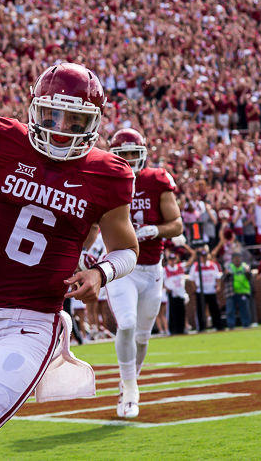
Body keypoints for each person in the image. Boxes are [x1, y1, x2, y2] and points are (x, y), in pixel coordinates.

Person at [0, 54, 137, 460]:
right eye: (51, 116)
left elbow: (127, 250)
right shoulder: (5, 140)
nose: (60, 130)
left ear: (93, 123)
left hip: (30, 322)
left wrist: (102, 273)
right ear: (35, 110)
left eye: (74, 121)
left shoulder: (108, 173)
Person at [105, 127, 183, 418]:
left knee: (142, 336)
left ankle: (128, 384)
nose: (126, 158)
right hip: (123, 265)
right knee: (125, 324)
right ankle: (130, 389)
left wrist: (156, 229)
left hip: (152, 269)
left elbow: (176, 224)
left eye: (131, 154)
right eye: (121, 153)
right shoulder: (106, 178)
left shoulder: (156, 179)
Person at [188, 245, 224, 331]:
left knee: (214, 309)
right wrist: (195, 288)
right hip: (201, 291)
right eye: (202, 256)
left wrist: (218, 286)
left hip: (211, 290)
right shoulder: (196, 266)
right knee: (200, 310)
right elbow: (191, 279)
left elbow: (218, 277)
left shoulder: (212, 265)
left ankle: (218, 326)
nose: (203, 258)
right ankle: (201, 327)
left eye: (205, 256)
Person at [163, 250, 191, 335]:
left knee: (181, 312)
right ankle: (172, 330)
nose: (172, 261)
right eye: (170, 259)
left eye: (173, 259)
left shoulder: (180, 267)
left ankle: (181, 330)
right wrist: (166, 288)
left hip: (181, 293)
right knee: (172, 313)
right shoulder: (165, 269)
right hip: (172, 293)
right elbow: (161, 281)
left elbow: (190, 262)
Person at [225, 253, 252, 329]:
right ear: (232, 259)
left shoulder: (245, 266)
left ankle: (246, 325)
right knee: (230, 310)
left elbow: (250, 278)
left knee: (244, 310)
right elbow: (224, 279)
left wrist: (248, 272)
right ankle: (231, 326)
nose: (237, 260)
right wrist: (227, 274)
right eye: (235, 258)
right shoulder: (229, 267)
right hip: (231, 292)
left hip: (243, 291)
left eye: (238, 258)